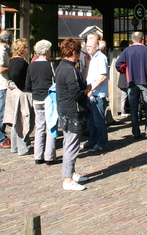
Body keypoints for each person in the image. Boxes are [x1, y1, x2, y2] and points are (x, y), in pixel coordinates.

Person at [55, 38, 92, 191]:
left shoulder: (63, 66)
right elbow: (76, 93)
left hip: (65, 109)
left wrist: (87, 65)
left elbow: (81, 80)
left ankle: (72, 172)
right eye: (78, 52)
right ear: (73, 52)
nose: (79, 55)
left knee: (69, 142)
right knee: (71, 144)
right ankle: (68, 179)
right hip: (72, 111)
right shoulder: (69, 70)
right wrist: (87, 92)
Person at [115, 31, 147, 140]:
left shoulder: (127, 51)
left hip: (132, 82)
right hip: (146, 82)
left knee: (133, 108)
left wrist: (124, 71)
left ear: (132, 39)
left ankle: (136, 132)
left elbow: (119, 65)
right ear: (142, 39)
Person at [25, 39, 59, 165]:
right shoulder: (50, 65)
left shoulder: (31, 65)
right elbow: (56, 82)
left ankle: (38, 155)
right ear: (46, 51)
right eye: (49, 49)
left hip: (36, 98)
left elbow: (27, 84)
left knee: (39, 127)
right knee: (51, 126)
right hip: (48, 98)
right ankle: (49, 156)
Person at [7, 38, 32, 156]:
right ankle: (23, 148)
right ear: (23, 49)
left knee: (16, 120)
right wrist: (23, 86)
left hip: (13, 92)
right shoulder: (20, 62)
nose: (29, 49)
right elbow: (16, 74)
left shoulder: (12, 60)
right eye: (27, 47)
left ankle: (15, 146)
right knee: (23, 120)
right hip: (20, 93)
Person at [83, 36, 109, 152]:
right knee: (91, 121)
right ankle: (92, 141)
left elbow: (103, 76)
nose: (87, 49)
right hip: (91, 94)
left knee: (98, 120)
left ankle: (101, 142)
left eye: (90, 46)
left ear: (97, 47)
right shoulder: (92, 58)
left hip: (97, 94)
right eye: (87, 46)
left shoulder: (101, 58)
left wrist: (92, 89)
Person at [0, 30, 13, 148]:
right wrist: (11, 66)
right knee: (1, 113)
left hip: (2, 85)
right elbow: (0, 69)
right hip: (2, 86)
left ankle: (2, 136)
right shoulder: (0, 52)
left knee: (3, 112)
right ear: (7, 40)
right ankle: (0, 139)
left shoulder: (3, 51)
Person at [116, 40, 131, 117]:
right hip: (128, 79)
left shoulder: (119, 53)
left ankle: (122, 111)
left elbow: (118, 66)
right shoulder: (127, 54)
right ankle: (132, 110)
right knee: (131, 97)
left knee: (123, 97)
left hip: (122, 80)